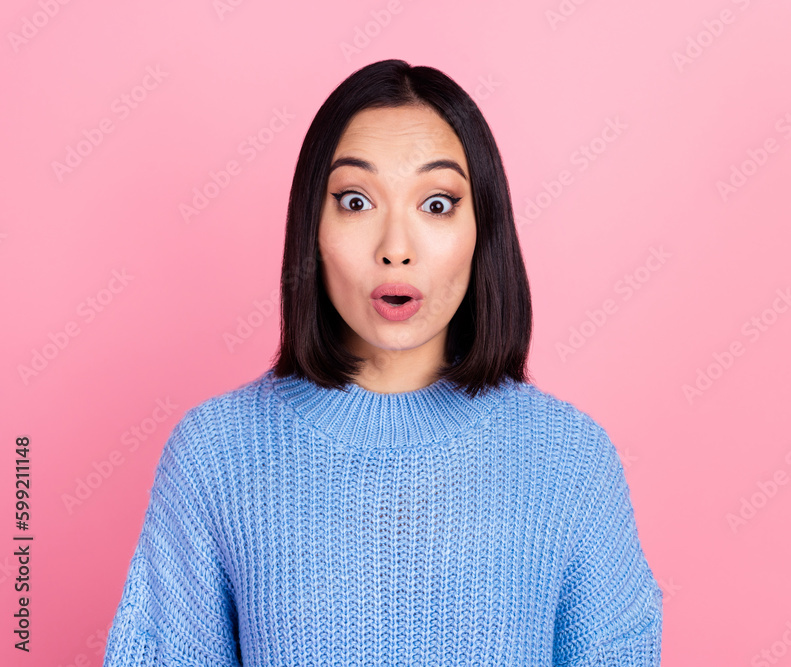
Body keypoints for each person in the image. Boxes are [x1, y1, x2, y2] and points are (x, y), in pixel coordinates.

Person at [102, 58, 663, 666]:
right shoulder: (214, 454)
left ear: (484, 229)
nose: (396, 249)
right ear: (311, 228)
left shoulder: (571, 460)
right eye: (355, 201)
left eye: (438, 205)